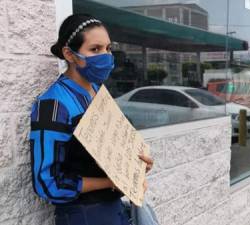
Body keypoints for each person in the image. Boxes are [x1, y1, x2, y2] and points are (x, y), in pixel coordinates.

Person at [29, 14, 155, 225]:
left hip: (114, 210)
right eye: (95, 49)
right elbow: (47, 183)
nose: (105, 56)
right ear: (69, 54)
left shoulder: (97, 92)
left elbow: (111, 150)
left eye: (108, 48)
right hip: (85, 216)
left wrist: (137, 166)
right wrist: (109, 182)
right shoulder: (53, 105)